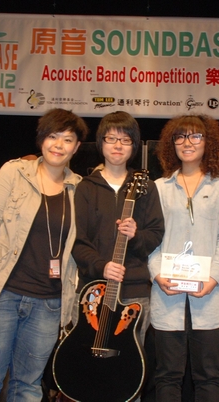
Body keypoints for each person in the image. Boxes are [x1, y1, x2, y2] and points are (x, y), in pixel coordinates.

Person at [0, 108, 88, 401]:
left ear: (76, 147)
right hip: (0, 293)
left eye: (67, 139)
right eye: (53, 136)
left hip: (49, 302)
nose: (58, 145)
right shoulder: (14, 172)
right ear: (42, 139)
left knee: (28, 384)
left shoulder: (79, 188)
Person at [148, 114, 219, 402]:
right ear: (171, 143)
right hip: (167, 292)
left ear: (207, 141)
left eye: (195, 135)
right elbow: (151, 238)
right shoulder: (159, 187)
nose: (188, 142)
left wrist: (214, 277)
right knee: (167, 375)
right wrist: (157, 273)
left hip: (210, 294)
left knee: (208, 375)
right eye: (181, 136)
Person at [72, 110, 164, 352]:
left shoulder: (146, 187)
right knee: (86, 357)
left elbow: (156, 234)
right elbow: (77, 241)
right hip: (92, 289)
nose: (118, 146)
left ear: (134, 146)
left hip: (134, 291)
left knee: (129, 361)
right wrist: (101, 266)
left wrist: (136, 236)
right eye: (111, 138)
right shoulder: (85, 188)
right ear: (101, 143)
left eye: (125, 140)